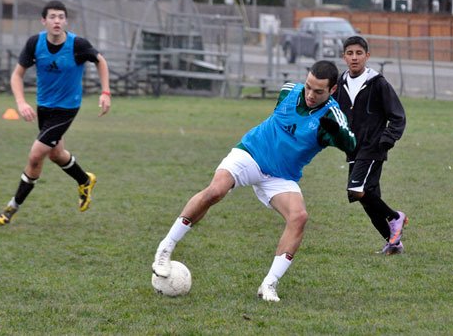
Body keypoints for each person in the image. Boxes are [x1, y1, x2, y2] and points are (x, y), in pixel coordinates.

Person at [152, 60, 356, 302]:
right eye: (308, 87)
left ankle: (269, 285)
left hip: (281, 176)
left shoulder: (331, 116)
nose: (310, 94)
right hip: (250, 153)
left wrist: (339, 135)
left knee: (299, 217)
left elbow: (352, 144)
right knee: (215, 191)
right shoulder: (289, 90)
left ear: (332, 90)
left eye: (318, 91)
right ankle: (165, 248)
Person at [0, 0, 111, 225]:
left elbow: (100, 61)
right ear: (44, 21)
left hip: (66, 108)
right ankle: (85, 180)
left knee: (36, 154)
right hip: (44, 107)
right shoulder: (34, 44)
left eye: (60, 17)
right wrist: (21, 102)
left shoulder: (77, 44)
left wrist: (105, 92)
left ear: (65, 20)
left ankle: (12, 207)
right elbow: (16, 75)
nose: (57, 21)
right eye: (52, 17)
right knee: (57, 154)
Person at [333, 36, 408, 255]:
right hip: (353, 148)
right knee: (367, 198)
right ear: (344, 57)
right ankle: (393, 243)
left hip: (373, 147)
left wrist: (386, 140)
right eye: (350, 53)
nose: (354, 57)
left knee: (356, 190)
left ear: (367, 56)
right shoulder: (340, 84)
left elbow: (398, 116)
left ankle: (396, 217)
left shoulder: (378, 83)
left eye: (358, 53)